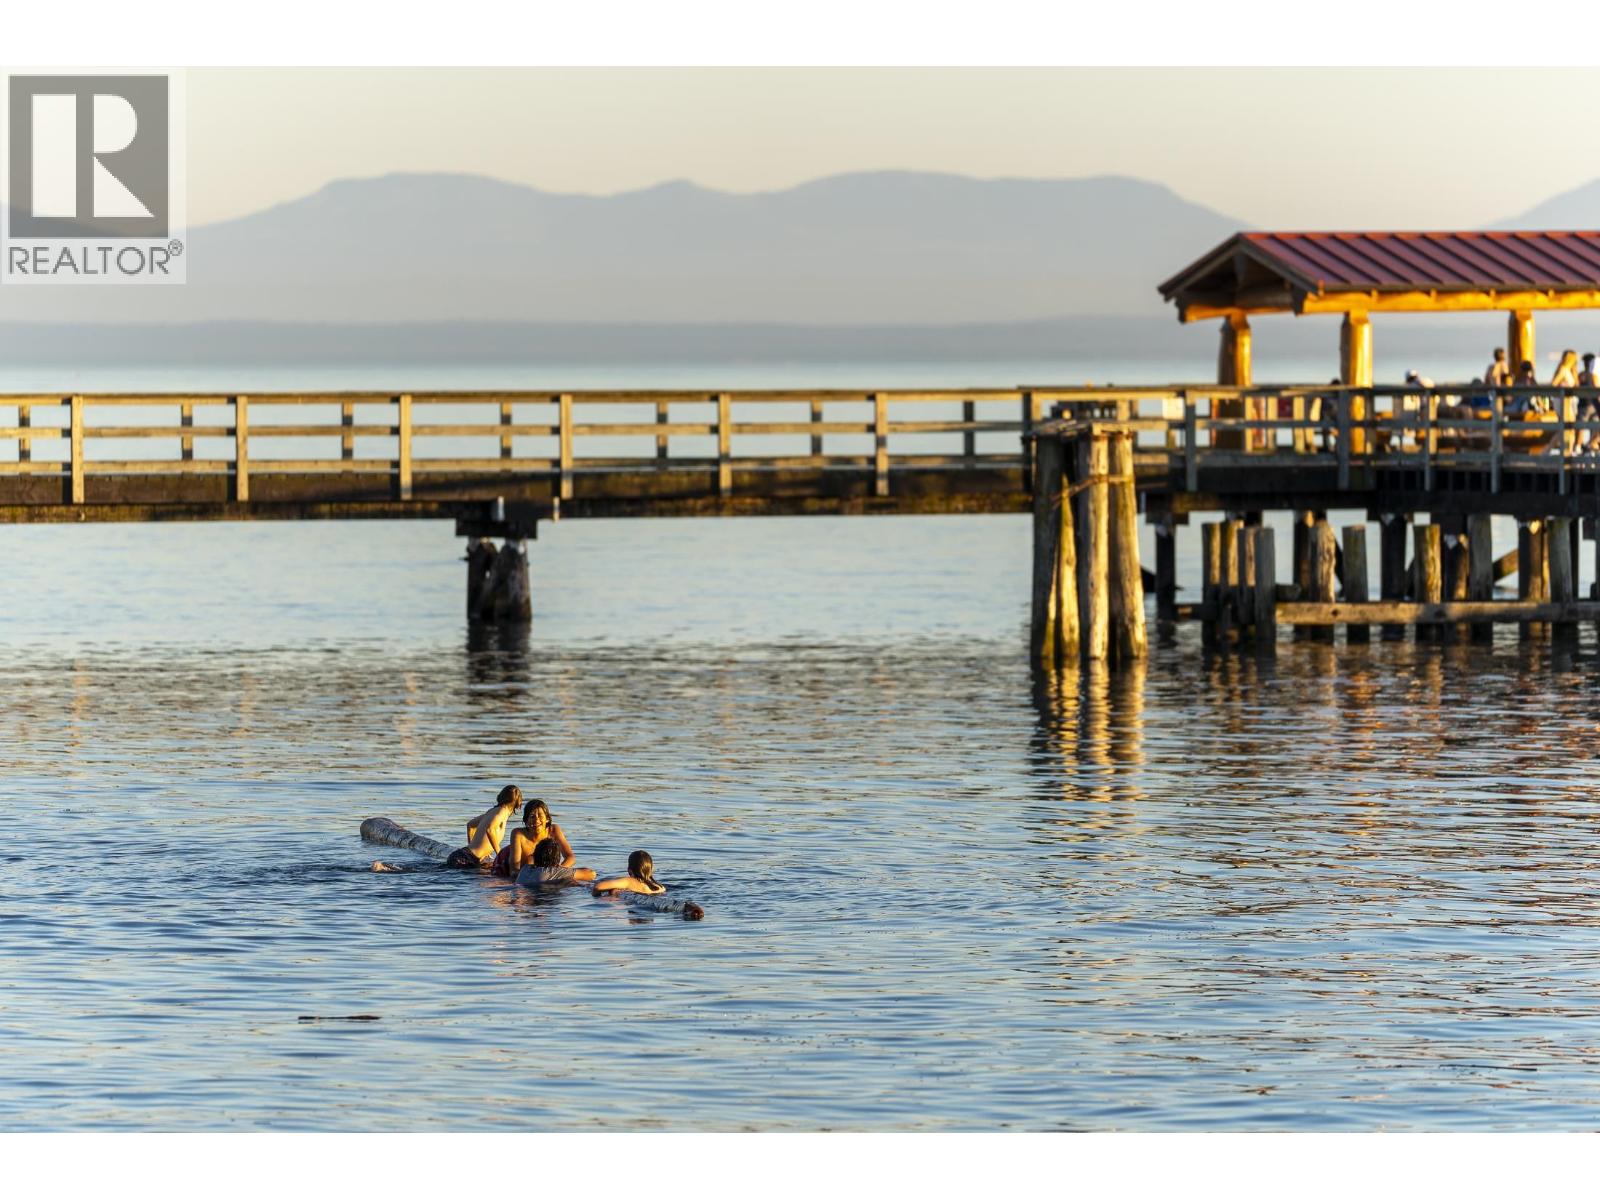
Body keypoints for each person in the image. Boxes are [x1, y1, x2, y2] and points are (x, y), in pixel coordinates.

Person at [444, 784, 522, 869]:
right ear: (518, 803)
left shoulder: (492, 812)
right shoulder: (502, 811)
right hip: (466, 859)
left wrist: (480, 850)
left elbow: (470, 825)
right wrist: (500, 854)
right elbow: (490, 830)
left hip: (463, 855)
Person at [514, 836, 596, 889]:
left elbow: (530, 860)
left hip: (524, 892)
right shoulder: (555, 871)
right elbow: (591, 874)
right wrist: (562, 868)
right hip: (546, 895)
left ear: (535, 855)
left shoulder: (525, 869)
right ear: (557, 859)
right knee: (570, 881)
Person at [592, 850, 668, 897]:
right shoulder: (659, 886)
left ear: (630, 870)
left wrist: (599, 897)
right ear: (651, 869)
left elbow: (598, 887)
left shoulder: (629, 881)